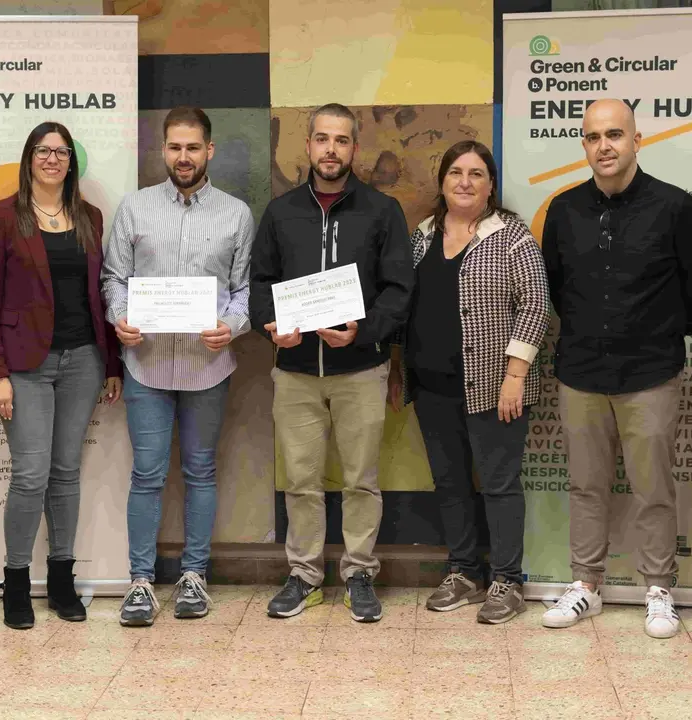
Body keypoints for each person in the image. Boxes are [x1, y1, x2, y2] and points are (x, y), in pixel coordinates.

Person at [541, 98, 692, 638]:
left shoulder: (676, 207)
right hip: (581, 371)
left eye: (615, 134)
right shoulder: (564, 211)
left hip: (649, 372)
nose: (604, 146)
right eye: (593, 137)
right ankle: (586, 585)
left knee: (652, 488)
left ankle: (658, 589)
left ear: (639, 139)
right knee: (587, 485)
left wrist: (651, 332)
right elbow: (557, 289)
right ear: (584, 146)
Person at [250, 103, 414, 623]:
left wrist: (363, 332)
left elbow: (398, 289)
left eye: (341, 140)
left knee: (361, 479)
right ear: (308, 145)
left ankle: (360, 572)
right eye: (322, 139)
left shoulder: (381, 210)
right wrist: (270, 322)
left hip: (361, 371)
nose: (330, 149)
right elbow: (259, 284)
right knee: (300, 480)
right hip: (295, 370)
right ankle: (304, 575)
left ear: (354, 148)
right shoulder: (281, 212)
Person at [102, 107, 254, 626]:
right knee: (146, 474)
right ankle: (140, 583)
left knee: (201, 471)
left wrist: (230, 327)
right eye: (174, 147)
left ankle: (194, 577)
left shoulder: (236, 214)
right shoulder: (134, 209)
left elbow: (245, 289)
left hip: (208, 366)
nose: (183, 157)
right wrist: (118, 317)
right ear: (162, 150)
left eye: (193, 147)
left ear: (209, 150)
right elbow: (113, 278)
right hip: (146, 365)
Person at [388, 141, 550, 623]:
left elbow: (536, 307)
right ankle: (463, 571)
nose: (465, 181)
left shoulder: (512, 237)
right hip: (432, 385)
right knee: (450, 483)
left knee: (499, 484)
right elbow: (403, 305)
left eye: (476, 173)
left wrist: (514, 376)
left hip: (493, 387)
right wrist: (399, 369)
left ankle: (507, 579)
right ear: (442, 181)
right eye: (456, 172)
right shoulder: (421, 236)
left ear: (491, 184)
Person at [0, 121, 123, 630]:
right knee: (31, 475)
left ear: (71, 162)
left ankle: (61, 579)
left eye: (61, 152)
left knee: (65, 474)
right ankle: (15, 582)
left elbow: (103, 294)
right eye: (43, 150)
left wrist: (112, 364)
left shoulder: (89, 218)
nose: (52, 159)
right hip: (25, 365)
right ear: (29, 157)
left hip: (83, 359)